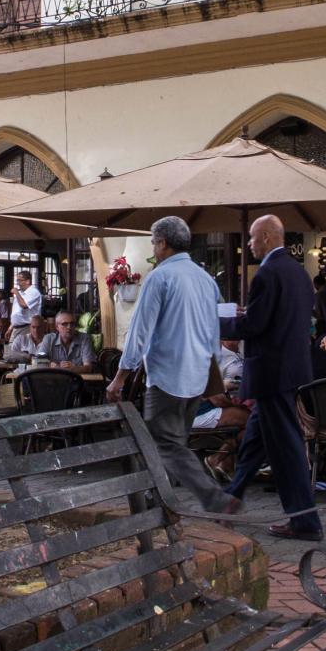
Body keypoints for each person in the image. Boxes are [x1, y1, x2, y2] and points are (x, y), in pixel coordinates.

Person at [107, 216, 233, 512]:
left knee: (163, 445)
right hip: (197, 377)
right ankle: (159, 502)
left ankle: (211, 498)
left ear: (162, 243)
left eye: (153, 241)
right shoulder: (206, 279)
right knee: (173, 444)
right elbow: (213, 331)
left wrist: (120, 377)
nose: (154, 246)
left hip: (167, 376)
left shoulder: (159, 277)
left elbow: (139, 331)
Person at [223, 215, 324, 540]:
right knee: (256, 439)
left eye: (252, 238)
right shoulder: (298, 272)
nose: (249, 244)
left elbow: (255, 326)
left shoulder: (267, 273)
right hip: (289, 368)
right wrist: (249, 315)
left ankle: (306, 522)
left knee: (287, 448)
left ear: (266, 237)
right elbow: (280, 318)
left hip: (271, 371)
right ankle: (231, 497)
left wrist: (217, 322)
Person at [7, 269, 43, 350]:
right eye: (17, 280)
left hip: (26, 327)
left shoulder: (33, 292)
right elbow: (17, 313)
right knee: (12, 352)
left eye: (20, 280)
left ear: (28, 281)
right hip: (17, 328)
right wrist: (10, 327)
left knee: (19, 352)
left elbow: (24, 305)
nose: (18, 283)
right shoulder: (21, 293)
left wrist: (16, 293)